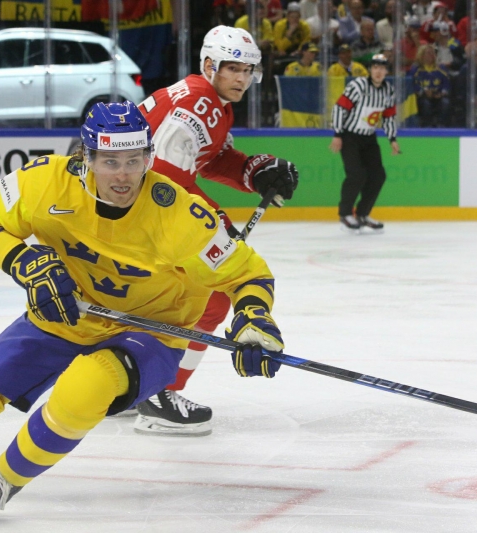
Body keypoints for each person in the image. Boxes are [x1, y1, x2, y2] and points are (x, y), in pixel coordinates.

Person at [0, 100, 285, 521]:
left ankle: (4, 479)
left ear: (148, 157)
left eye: (134, 161)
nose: (123, 176)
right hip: (66, 312)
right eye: (110, 162)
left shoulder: (182, 215)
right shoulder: (45, 181)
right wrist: (25, 261)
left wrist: (254, 323)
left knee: (85, 389)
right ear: (87, 158)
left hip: (153, 332)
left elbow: (248, 275)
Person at [133, 25, 299, 436]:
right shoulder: (197, 104)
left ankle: (135, 383)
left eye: (248, 70)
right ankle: (160, 394)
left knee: (159, 302)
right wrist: (214, 224)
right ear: (210, 65)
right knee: (208, 301)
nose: (242, 78)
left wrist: (253, 171)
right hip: (132, 211)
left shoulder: (211, 100)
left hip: (123, 207)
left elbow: (209, 158)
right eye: (232, 69)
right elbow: (166, 185)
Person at [330, 54, 400, 233]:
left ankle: (362, 213)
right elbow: (340, 107)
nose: (378, 71)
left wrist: (392, 138)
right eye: (375, 67)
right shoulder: (358, 86)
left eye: (382, 68)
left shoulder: (388, 91)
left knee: (378, 176)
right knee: (356, 175)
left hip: (369, 137)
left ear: (386, 71)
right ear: (370, 70)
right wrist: (338, 133)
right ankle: (345, 214)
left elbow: (389, 116)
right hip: (350, 136)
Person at [411, 44, 451, 126]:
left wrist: (442, 93)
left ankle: (441, 126)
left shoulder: (441, 68)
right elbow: (413, 84)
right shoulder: (415, 69)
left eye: (432, 53)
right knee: (426, 104)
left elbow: (446, 84)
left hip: (439, 96)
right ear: (421, 55)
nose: (431, 55)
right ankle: (427, 126)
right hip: (422, 97)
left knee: (445, 103)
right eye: (428, 53)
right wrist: (423, 92)